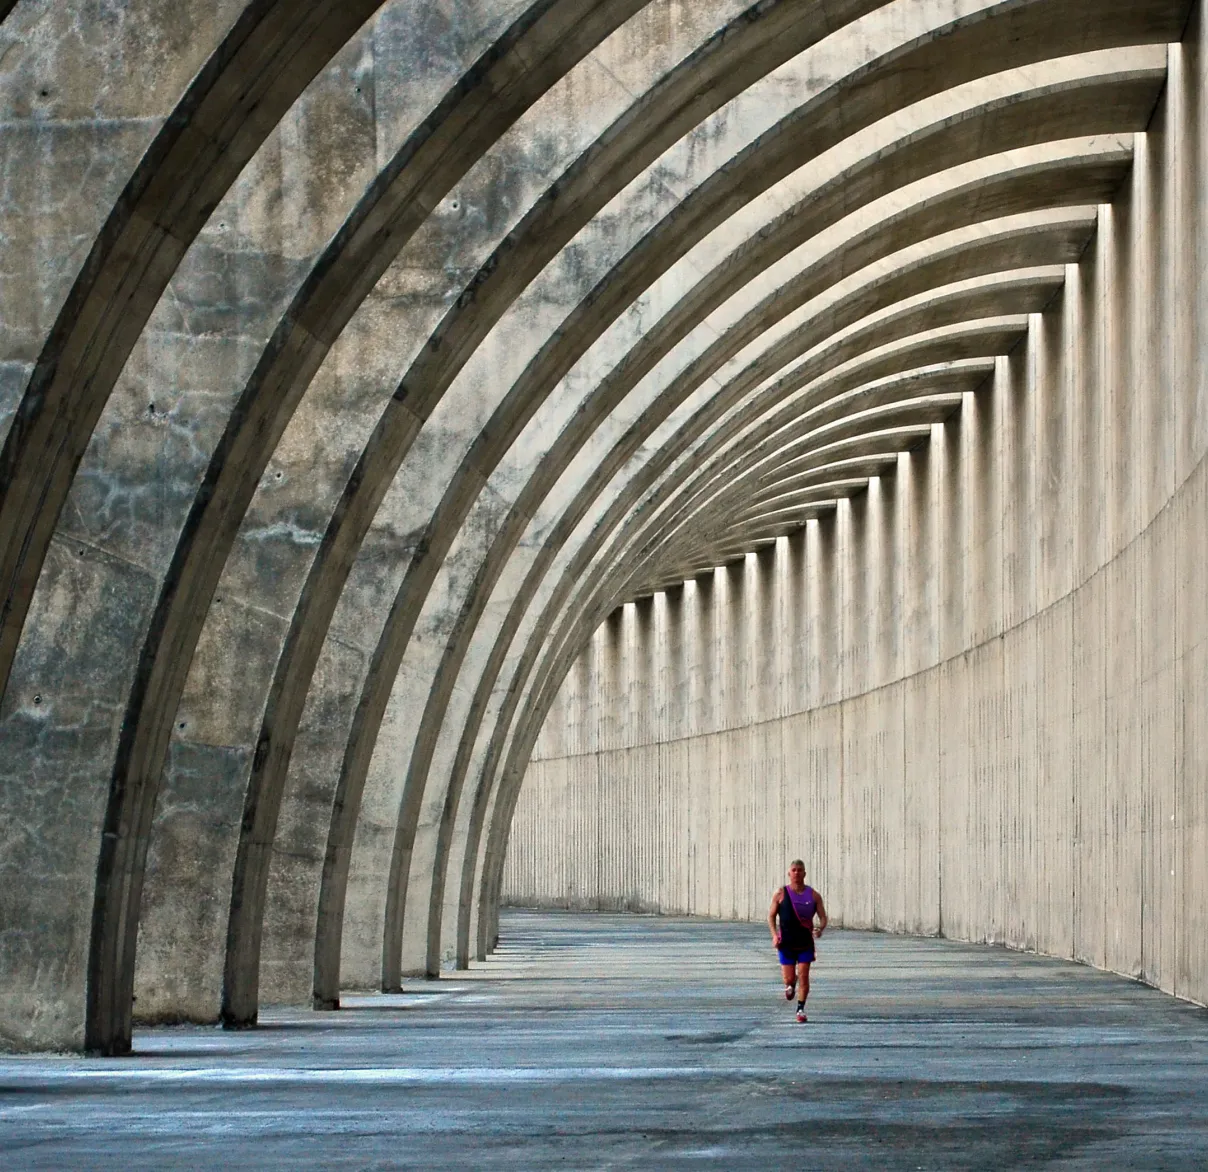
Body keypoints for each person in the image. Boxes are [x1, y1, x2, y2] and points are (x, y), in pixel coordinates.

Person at [768, 859, 827, 1023]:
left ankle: (800, 1009)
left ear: (805, 873)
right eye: (793, 870)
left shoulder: (813, 895)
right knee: (788, 979)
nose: (796, 873)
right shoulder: (781, 894)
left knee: (804, 975)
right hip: (786, 942)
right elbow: (771, 916)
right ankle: (790, 985)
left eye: (800, 870)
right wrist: (774, 935)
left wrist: (820, 929)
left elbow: (823, 916)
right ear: (789, 873)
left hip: (805, 943)